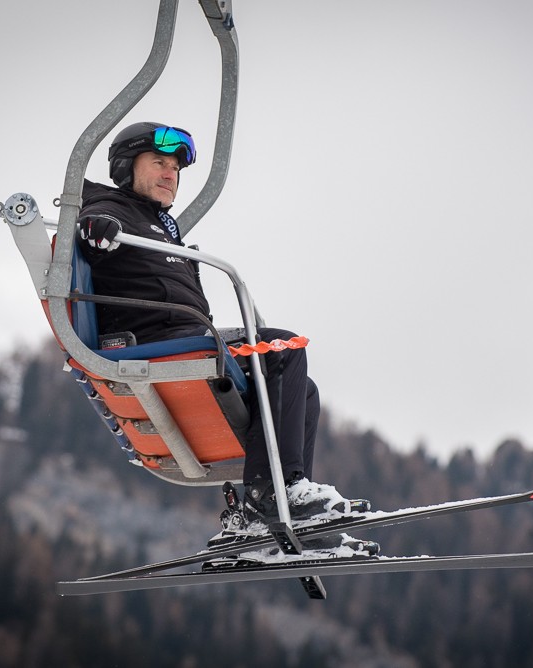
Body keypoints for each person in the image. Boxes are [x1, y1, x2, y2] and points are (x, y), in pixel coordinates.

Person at [75, 122, 374, 545]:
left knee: (304, 390)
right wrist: (96, 228)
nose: (169, 174)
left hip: (182, 332)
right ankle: (270, 496)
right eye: (158, 163)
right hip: (153, 341)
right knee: (283, 348)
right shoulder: (112, 208)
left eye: (175, 168)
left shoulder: (159, 225)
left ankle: (287, 508)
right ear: (126, 167)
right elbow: (93, 224)